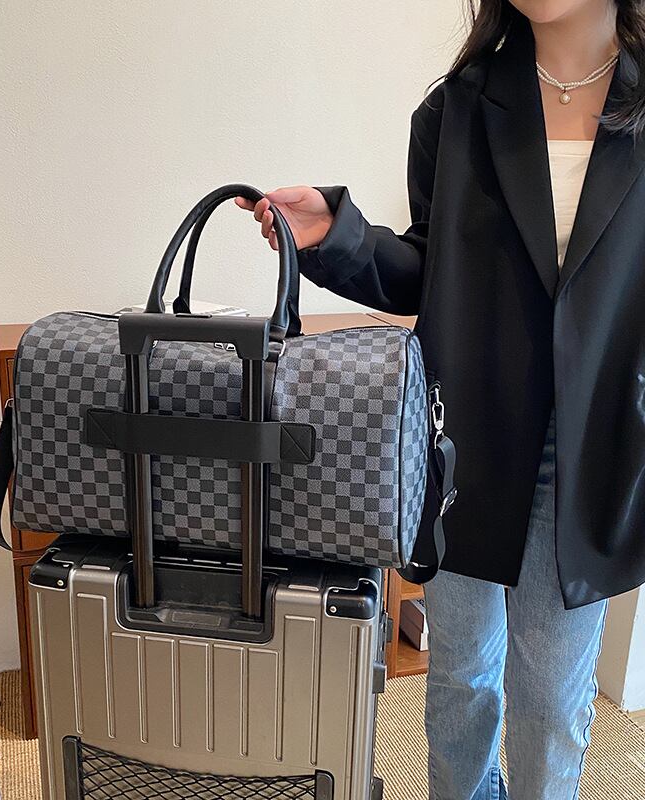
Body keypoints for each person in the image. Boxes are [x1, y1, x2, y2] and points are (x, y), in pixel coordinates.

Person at [237, 1, 645, 798]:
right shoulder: (458, 106)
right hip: (461, 441)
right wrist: (338, 235)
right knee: (460, 677)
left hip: (591, 449)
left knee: (550, 703)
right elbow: (432, 269)